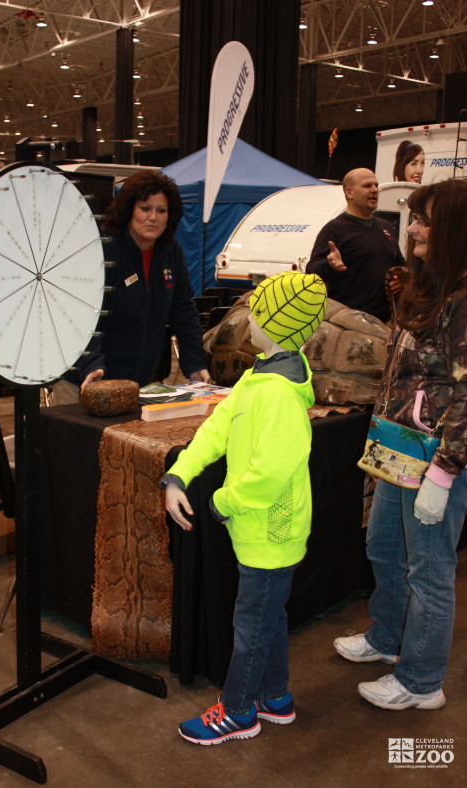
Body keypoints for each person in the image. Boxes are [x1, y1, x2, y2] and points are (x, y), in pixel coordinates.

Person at [161, 271, 328, 745]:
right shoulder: (260, 375)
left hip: (271, 530)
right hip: (256, 527)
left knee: (251, 622)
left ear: (277, 324)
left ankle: (238, 712)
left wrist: (221, 502)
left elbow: (271, 473)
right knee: (268, 614)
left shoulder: (279, 396)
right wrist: (180, 473)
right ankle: (275, 697)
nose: (248, 317)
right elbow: (218, 429)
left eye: (258, 310)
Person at [334, 178, 467, 711]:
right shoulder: (428, 285)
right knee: (383, 546)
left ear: (453, 228)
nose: (411, 227)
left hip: (436, 456)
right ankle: (387, 639)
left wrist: (446, 469)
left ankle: (421, 681)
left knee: (429, 568)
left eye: (423, 220)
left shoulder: (462, 299)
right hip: (398, 445)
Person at [54, 170, 210, 403]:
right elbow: (81, 314)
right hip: (86, 380)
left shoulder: (170, 251)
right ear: (129, 210)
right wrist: (91, 365)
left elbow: (183, 310)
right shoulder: (102, 247)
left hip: (137, 383)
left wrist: (195, 363)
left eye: (161, 210)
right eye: (145, 208)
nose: (153, 217)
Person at [306, 168, 405, 323]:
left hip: (382, 323)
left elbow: (401, 264)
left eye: (376, 185)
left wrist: (400, 280)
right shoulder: (334, 230)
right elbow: (311, 270)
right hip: (345, 324)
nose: (374, 190)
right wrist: (329, 264)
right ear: (349, 193)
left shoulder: (387, 228)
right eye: (367, 186)